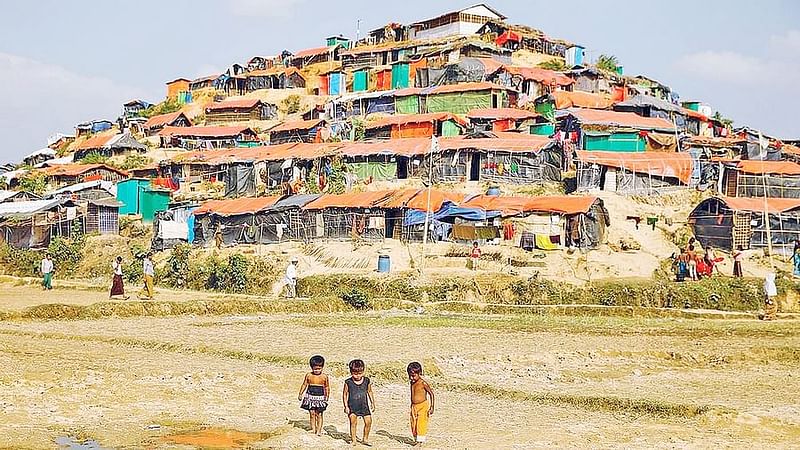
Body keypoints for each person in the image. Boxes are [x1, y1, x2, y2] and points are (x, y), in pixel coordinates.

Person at [343, 359, 375, 446]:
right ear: (351, 372)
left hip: (364, 405)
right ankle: (353, 440)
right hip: (352, 406)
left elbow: (369, 391)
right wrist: (346, 406)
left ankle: (365, 438)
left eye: (360, 373)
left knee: (368, 422)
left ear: (363, 371)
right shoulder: (348, 382)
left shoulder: (366, 381)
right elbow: (345, 394)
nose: (357, 376)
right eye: (355, 373)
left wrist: (372, 402)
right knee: (353, 422)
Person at [297, 355, 329, 436]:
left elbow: (327, 387)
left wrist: (327, 396)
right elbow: (304, 384)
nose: (317, 370)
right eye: (315, 369)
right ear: (311, 367)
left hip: (320, 397)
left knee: (319, 414)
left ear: (322, 367)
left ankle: (319, 430)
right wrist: (300, 393)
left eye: (319, 368)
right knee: (312, 413)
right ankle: (313, 429)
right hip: (310, 396)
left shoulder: (324, 376)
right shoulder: (309, 375)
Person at [408, 361, 435, 447]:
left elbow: (431, 394)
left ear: (419, 373)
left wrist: (432, 407)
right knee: (413, 423)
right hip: (414, 406)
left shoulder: (423, 383)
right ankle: (416, 439)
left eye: (413, 376)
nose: (411, 378)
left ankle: (420, 442)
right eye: (410, 376)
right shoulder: (412, 382)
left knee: (421, 423)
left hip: (423, 406)